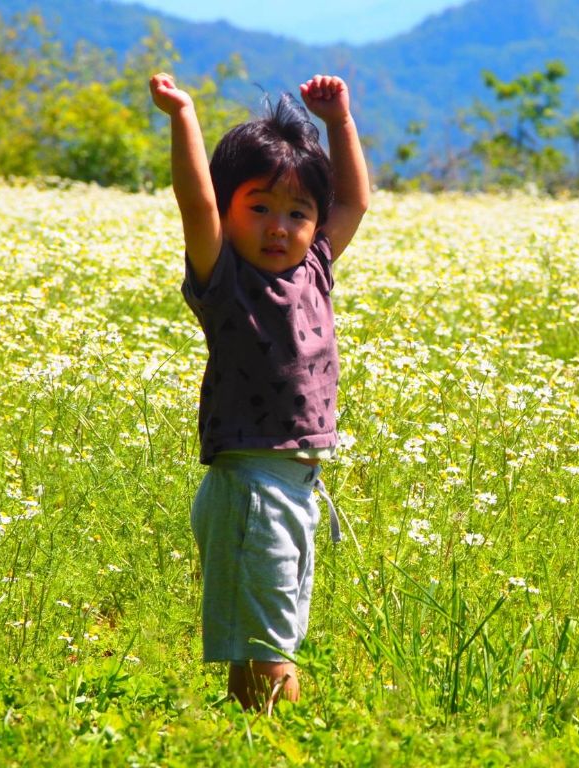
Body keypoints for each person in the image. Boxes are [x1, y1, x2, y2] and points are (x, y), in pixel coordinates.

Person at [149, 71, 369, 712]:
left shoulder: (315, 269)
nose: (280, 226)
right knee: (270, 642)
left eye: (298, 213)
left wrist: (340, 123)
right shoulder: (225, 279)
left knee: (264, 634)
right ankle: (282, 742)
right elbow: (194, 201)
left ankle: (250, 737)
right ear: (227, 211)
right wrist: (184, 116)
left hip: (296, 485)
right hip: (253, 485)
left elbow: (353, 202)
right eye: (260, 207)